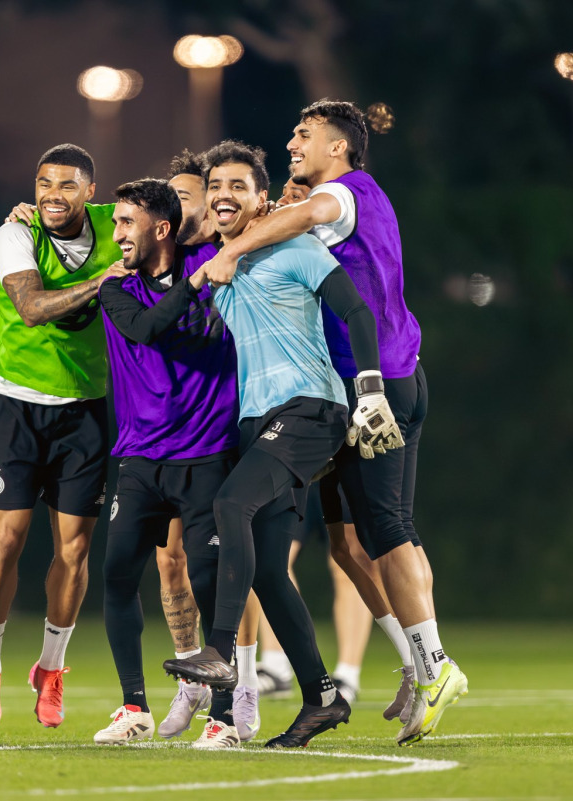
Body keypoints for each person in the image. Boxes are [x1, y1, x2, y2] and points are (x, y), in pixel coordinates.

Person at [201, 99, 466, 746]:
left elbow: (312, 215)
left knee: (387, 531)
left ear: (340, 148)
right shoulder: (328, 202)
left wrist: (233, 247)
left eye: (306, 134)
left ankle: (433, 666)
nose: (293, 140)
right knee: (347, 544)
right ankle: (418, 662)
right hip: (356, 388)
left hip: (379, 385)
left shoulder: (346, 193)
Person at [163, 140, 403, 749]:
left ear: (262, 198)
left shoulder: (294, 246)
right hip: (256, 423)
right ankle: (324, 697)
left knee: (229, 506)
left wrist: (370, 390)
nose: (223, 196)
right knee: (270, 570)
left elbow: (357, 312)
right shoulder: (215, 262)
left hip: (311, 410)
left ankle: (219, 651)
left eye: (238, 187)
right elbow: (164, 216)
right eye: (217, 186)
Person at [0, 144, 129, 729]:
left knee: (75, 549)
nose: (51, 196)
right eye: (43, 184)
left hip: (84, 408)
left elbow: (179, 215)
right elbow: (33, 307)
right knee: (8, 539)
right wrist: (104, 283)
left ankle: (51, 669)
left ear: (91, 192)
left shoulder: (121, 226)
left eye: (66, 185)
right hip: (15, 402)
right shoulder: (14, 234)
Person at [92, 178, 241, 747]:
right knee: (116, 576)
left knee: (209, 580)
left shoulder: (212, 258)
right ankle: (134, 707)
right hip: (139, 456)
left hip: (207, 453)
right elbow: (148, 330)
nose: (117, 234)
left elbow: (238, 225)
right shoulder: (117, 290)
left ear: (161, 228)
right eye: (115, 223)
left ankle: (224, 717)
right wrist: (199, 279)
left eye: (127, 223)